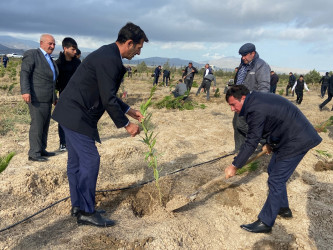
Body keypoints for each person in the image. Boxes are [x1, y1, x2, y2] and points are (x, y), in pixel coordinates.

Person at [52, 22, 148, 227]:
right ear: (129, 43)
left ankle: (78, 205)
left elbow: (107, 93)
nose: (138, 53)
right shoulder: (109, 59)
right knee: (90, 160)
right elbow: (108, 98)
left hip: (72, 113)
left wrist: (129, 110)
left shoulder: (108, 54)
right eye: (138, 48)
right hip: (76, 115)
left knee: (77, 163)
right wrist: (126, 125)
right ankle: (86, 211)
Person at [225, 85, 322, 233]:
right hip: (289, 135)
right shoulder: (255, 101)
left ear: (243, 98)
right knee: (272, 169)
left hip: (297, 139)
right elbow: (274, 121)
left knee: (276, 179)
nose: (232, 109)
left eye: (233, 104)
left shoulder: (255, 109)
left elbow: (251, 141)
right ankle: (283, 208)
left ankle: (265, 222)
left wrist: (235, 165)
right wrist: (269, 143)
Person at [20, 34, 58, 162]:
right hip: (36, 97)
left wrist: (54, 97)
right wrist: (25, 91)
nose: (52, 46)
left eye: (53, 44)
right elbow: (25, 73)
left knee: (45, 125)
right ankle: (34, 153)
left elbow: (51, 80)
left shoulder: (50, 59)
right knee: (37, 125)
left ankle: (42, 149)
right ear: (41, 43)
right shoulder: (32, 54)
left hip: (47, 98)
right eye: (50, 43)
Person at [232, 43, 270, 152]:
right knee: (236, 124)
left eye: (245, 55)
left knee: (241, 124)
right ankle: (239, 150)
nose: (242, 57)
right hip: (239, 100)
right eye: (241, 55)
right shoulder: (243, 64)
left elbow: (264, 86)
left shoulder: (261, 65)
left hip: (251, 101)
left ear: (252, 53)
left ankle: (267, 141)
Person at [55, 37, 81, 151]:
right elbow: (54, 82)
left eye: (76, 49)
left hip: (77, 96)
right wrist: (54, 96)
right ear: (65, 48)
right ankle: (63, 143)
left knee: (76, 119)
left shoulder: (77, 63)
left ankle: (74, 141)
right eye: (73, 49)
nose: (75, 52)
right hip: (63, 96)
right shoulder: (58, 64)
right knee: (63, 120)